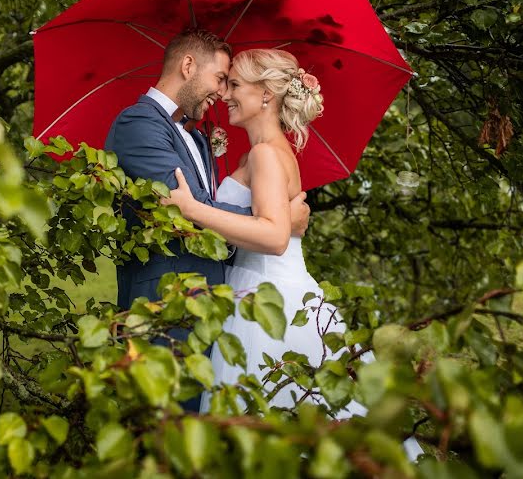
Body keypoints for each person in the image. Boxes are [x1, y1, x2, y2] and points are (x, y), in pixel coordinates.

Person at [162, 48, 423, 459]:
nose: (227, 94)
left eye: (235, 85)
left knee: (269, 421)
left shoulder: (266, 153)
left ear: (266, 94)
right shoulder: (267, 151)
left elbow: (274, 236)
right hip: (269, 287)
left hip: (264, 296)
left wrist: (192, 209)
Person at [104, 30, 310, 412]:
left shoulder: (199, 140)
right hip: (163, 303)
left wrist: (273, 222)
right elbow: (187, 209)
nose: (224, 93)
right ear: (187, 66)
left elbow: (207, 211)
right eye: (221, 79)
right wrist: (278, 220)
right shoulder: (138, 125)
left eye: (233, 84)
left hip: (218, 306)